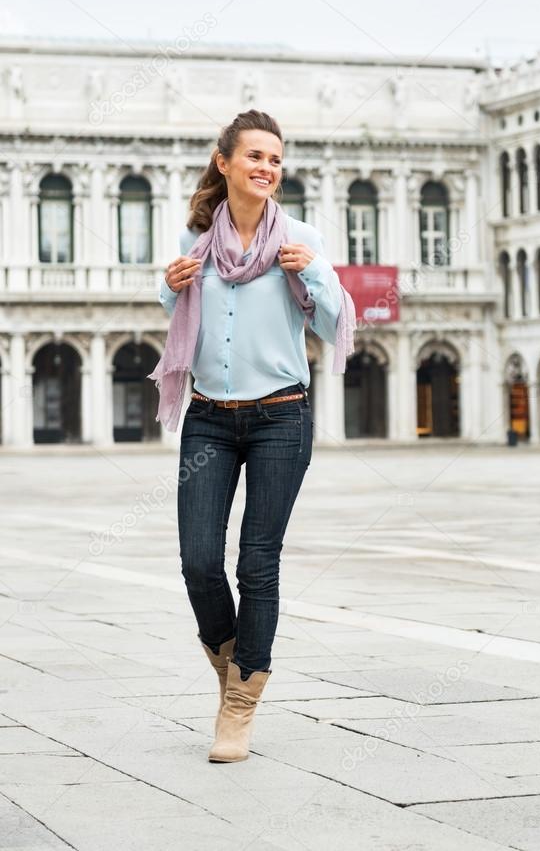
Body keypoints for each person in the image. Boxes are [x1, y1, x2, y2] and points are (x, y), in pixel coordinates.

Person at [148, 109, 356, 763]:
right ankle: (239, 661)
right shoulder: (196, 238)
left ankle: (238, 705)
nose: (266, 167)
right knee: (198, 560)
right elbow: (177, 309)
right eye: (255, 156)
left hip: (280, 416)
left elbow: (334, 322)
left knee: (257, 560)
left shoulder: (299, 236)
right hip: (208, 414)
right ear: (224, 162)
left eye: (275, 158)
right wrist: (168, 283)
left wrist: (316, 273)